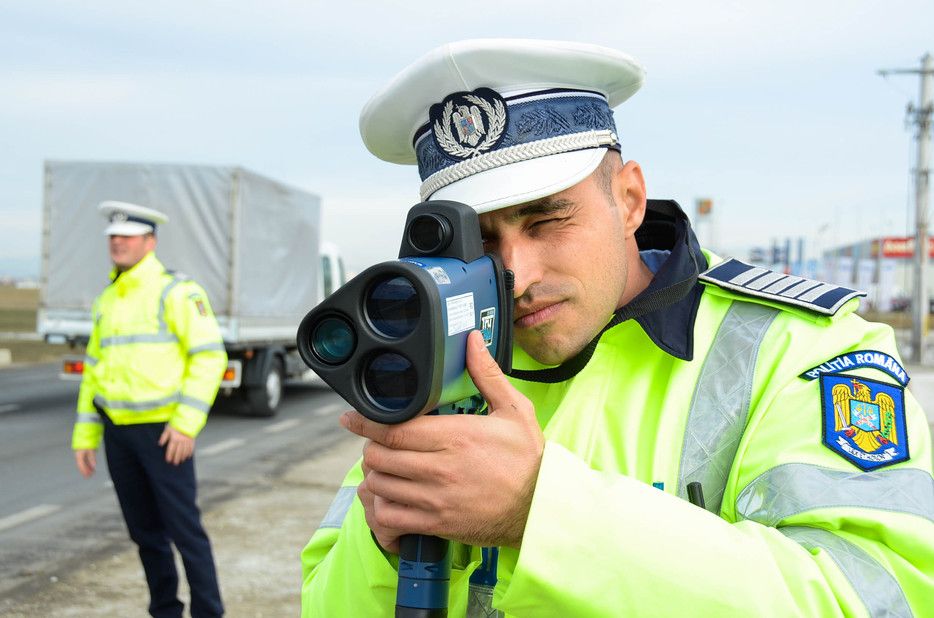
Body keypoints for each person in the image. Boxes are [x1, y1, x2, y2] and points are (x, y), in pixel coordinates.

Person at [301, 39, 934, 616]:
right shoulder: (443, 361)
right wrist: (384, 545)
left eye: (547, 220)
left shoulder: (805, 350)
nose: (515, 274)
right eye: (482, 241)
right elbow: (326, 603)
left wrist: (542, 510)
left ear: (628, 199)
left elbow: (880, 596)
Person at [72, 200, 227, 618]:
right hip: (118, 434)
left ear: (150, 241)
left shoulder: (176, 292)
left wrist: (185, 425)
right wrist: (85, 437)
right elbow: (94, 371)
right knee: (145, 534)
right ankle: (165, 611)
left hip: (164, 433)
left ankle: (209, 613)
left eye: (127, 236)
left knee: (185, 533)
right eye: (113, 237)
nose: (117, 243)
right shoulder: (108, 298)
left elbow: (210, 357)